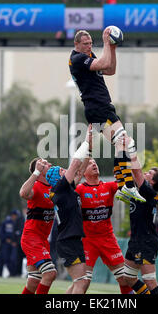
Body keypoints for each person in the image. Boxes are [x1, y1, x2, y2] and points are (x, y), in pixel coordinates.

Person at [69, 28, 145, 204]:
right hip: (97, 107)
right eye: (85, 44)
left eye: (90, 43)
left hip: (103, 107)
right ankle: (125, 186)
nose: (89, 46)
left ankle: (126, 187)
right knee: (123, 141)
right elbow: (102, 64)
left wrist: (113, 48)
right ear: (76, 44)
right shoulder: (78, 59)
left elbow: (110, 69)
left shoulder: (88, 56)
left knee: (126, 142)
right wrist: (105, 43)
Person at [45, 125, 93, 294]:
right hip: (67, 241)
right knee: (81, 282)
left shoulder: (66, 189)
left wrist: (90, 146)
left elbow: (80, 168)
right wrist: (86, 138)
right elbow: (75, 164)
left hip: (73, 239)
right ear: (58, 178)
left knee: (83, 282)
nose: (66, 171)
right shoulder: (59, 188)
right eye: (62, 171)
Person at [75, 159, 132, 294]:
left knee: (125, 278)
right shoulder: (79, 189)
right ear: (83, 172)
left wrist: (122, 156)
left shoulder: (109, 186)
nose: (94, 164)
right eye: (89, 164)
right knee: (83, 282)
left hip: (108, 239)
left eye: (95, 162)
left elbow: (127, 182)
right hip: (87, 241)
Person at [117, 143, 158, 294]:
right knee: (128, 278)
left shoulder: (149, 192)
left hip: (146, 242)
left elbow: (136, 172)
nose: (145, 173)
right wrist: (120, 150)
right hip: (136, 240)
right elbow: (127, 173)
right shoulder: (139, 191)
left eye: (149, 173)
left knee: (150, 281)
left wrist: (130, 149)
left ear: (153, 182)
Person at [19, 157, 56, 294]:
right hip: (31, 238)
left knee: (34, 281)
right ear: (39, 170)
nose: (50, 164)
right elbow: (23, 193)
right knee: (50, 273)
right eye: (45, 164)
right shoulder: (35, 186)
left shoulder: (53, 187)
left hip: (42, 240)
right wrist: (35, 173)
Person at [0, 211, 18, 277]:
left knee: (12, 260)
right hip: (4, 244)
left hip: (13, 245)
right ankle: (1, 274)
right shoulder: (5, 222)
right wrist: (6, 239)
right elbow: (1, 233)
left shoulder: (17, 223)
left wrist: (14, 241)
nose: (15, 217)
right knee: (4, 259)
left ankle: (13, 273)